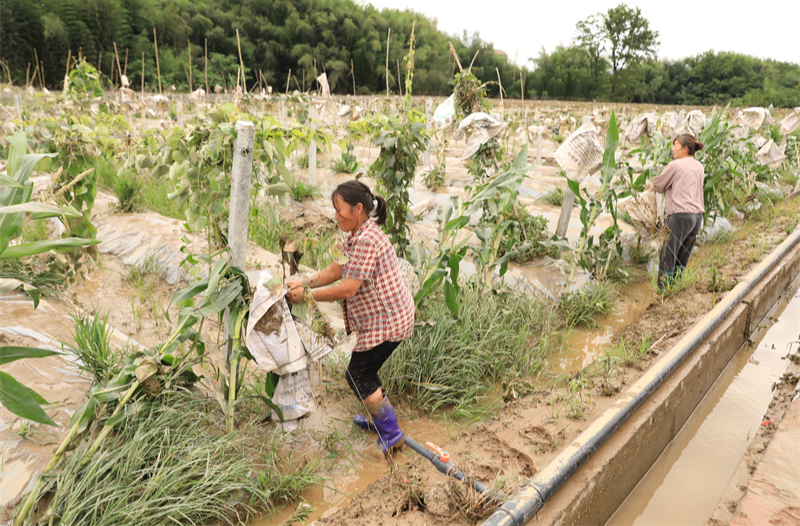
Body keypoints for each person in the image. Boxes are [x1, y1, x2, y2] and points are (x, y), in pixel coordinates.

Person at [285, 180, 415, 454]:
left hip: (390, 321)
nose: (335, 216)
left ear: (358, 209)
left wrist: (307, 297)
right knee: (364, 371)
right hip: (382, 318)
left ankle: (391, 433)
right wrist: (305, 283)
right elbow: (336, 270)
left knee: (359, 374)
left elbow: (348, 288)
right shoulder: (356, 234)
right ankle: (380, 420)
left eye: (339, 210)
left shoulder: (367, 240)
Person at [651, 134, 705, 292]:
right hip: (696, 217)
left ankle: (663, 292)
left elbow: (658, 185)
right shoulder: (699, 166)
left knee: (668, 253)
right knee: (683, 254)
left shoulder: (676, 165)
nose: (673, 149)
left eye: (675, 145)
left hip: (680, 215)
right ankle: (676, 289)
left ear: (685, 149)